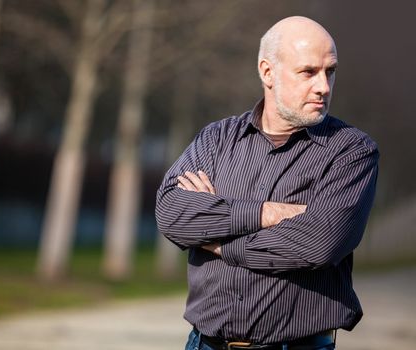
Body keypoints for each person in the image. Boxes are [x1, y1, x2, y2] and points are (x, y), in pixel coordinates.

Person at [155, 16, 379, 350]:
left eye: (330, 71)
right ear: (267, 72)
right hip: (205, 343)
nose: (323, 86)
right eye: (308, 72)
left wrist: (219, 243)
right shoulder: (217, 139)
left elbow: (320, 243)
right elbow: (171, 212)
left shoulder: (352, 151)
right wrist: (268, 214)